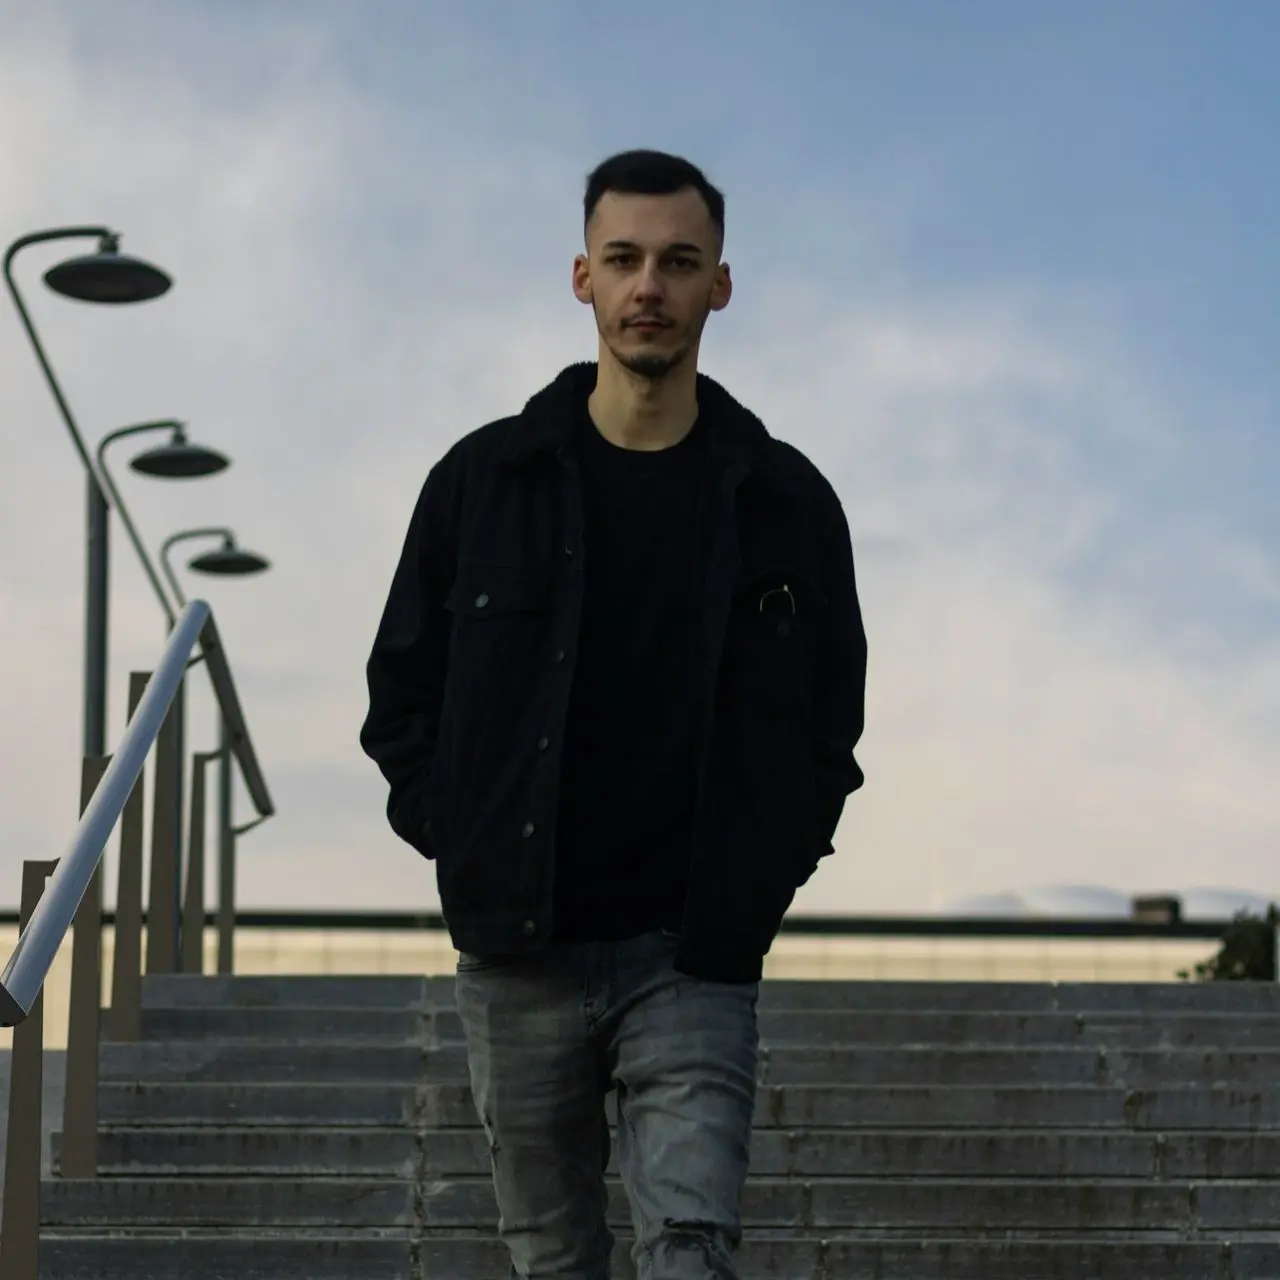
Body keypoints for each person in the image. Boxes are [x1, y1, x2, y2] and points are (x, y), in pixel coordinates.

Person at [360, 148, 867, 1280]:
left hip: (692, 950)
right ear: (581, 276)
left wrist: (765, 867)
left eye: (678, 263)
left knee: (689, 1246)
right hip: (519, 947)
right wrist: (463, 836)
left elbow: (829, 727)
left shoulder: (785, 501)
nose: (650, 286)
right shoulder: (482, 484)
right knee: (552, 1258)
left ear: (719, 286)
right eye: (625, 259)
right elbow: (402, 698)